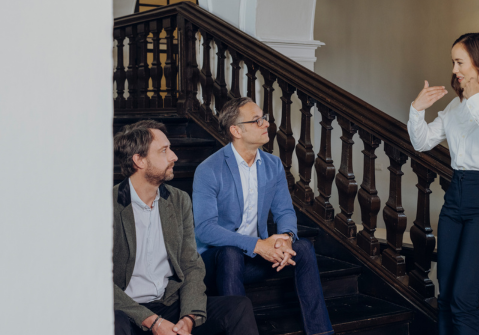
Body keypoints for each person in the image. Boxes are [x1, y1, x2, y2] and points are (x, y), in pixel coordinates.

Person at [407, 32, 479, 335]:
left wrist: (475, 101)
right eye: (453, 62)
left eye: (459, 62)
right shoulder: (455, 108)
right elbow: (422, 142)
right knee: (445, 296)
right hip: (456, 197)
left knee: (463, 298)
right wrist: (417, 110)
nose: (455, 69)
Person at [192, 97, 334, 335]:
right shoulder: (208, 169)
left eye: (264, 118)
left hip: (255, 258)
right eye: (257, 120)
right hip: (215, 264)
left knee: (305, 248)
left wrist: (286, 238)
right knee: (230, 253)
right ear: (236, 130)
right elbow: (205, 229)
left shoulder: (273, 164)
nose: (266, 124)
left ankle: (321, 332)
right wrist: (258, 245)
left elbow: (285, 211)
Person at [113, 120, 259, 335]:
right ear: (139, 160)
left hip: (168, 303)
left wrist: (189, 316)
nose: (174, 157)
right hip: (127, 310)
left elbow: (191, 265)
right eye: (164, 151)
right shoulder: (106, 205)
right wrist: (151, 321)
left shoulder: (179, 200)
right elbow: (97, 282)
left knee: (238, 307)